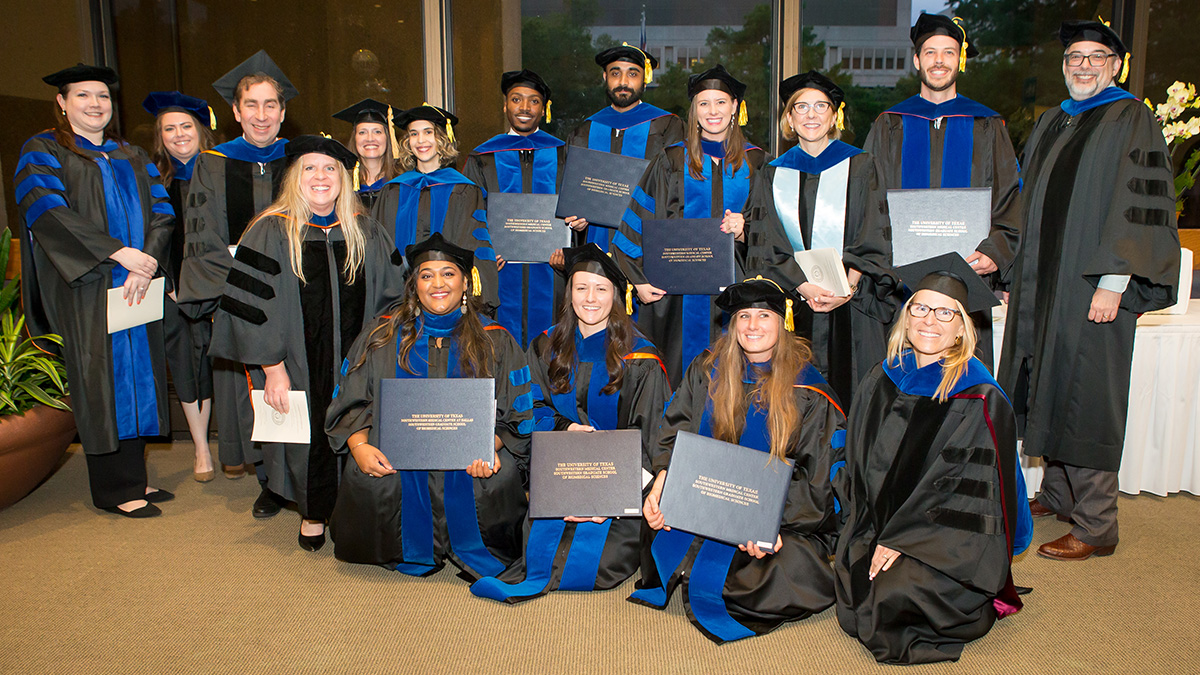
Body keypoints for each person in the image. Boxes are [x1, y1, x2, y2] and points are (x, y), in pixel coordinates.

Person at [998, 20, 1180, 561]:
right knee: (1046, 379)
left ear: (1116, 65)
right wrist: (1016, 278)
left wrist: (1114, 283)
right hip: (1046, 282)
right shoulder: (1056, 119)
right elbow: (1029, 205)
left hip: (1094, 284)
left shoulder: (1132, 118)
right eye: (1074, 56)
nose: (1083, 64)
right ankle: (1058, 493)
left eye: (1096, 56)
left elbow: (1137, 207)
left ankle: (1098, 522)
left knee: (1086, 392)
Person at [208, 135, 405, 551]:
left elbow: (394, 298)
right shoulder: (269, 231)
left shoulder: (366, 230)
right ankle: (313, 511)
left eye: (330, 168)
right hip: (295, 362)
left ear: (343, 178)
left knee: (362, 421)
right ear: (295, 177)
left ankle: (354, 503)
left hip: (359, 361)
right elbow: (250, 306)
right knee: (307, 435)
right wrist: (272, 368)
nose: (321, 177)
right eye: (310, 168)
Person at [835, 263, 1028, 665]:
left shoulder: (977, 394)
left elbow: (961, 490)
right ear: (905, 318)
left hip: (943, 540)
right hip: (878, 521)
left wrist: (900, 539)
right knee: (849, 583)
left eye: (945, 313)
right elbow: (859, 458)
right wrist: (867, 526)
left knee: (891, 603)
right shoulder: (884, 375)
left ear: (962, 327)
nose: (930, 321)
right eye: (920, 309)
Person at [633, 277, 845, 643]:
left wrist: (766, 523)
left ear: (783, 321)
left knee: (784, 567)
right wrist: (663, 482)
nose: (752, 326)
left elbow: (818, 480)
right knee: (656, 519)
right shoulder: (707, 369)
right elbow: (674, 431)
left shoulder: (810, 390)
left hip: (780, 518)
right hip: (705, 499)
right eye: (743, 316)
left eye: (763, 315)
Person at [15, 64, 175, 517]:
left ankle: (135, 479)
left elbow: (163, 212)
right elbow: (48, 212)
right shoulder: (43, 151)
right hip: (87, 283)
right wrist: (118, 254)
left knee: (139, 377)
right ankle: (113, 489)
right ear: (63, 103)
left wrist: (146, 261)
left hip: (136, 282)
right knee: (101, 381)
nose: (95, 104)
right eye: (83, 96)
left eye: (102, 96)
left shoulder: (132, 153)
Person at [470, 244, 670, 603]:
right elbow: (529, 408)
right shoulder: (546, 346)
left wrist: (603, 494)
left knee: (597, 564)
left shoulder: (642, 359)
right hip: (560, 472)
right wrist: (565, 430)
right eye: (581, 288)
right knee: (541, 545)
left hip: (619, 484)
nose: (590, 298)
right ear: (569, 294)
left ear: (617, 295)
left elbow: (650, 434)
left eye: (601, 289)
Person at [326, 233, 532, 578]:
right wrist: (360, 447)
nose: (438, 284)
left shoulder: (495, 339)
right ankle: (409, 546)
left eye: (449, 274)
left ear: (466, 282)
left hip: (471, 462)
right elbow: (350, 397)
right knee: (369, 475)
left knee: (500, 476)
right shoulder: (382, 335)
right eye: (426, 275)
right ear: (414, 285)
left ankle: (471, 545)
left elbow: (518, 413)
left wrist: (489, 446)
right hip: (397, 459)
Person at [864, 14, 1021, 370]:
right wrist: (885, 259)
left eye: (948, 52)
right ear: (917, 60)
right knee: (903, 374)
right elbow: (869, 200)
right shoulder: (890, 123)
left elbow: (1009, 196)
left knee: (962, 379)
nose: (939, 60)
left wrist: (995, 252)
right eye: (930, 52)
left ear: (959, 60)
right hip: (903, 280)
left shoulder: (987, 125)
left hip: (969, 275)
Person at [178, 50, 298, 516]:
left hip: (296, 293)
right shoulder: (212, 163)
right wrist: (242, 285)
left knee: (299, 383)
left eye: (271, 105)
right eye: (252, 105)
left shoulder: (301, 158)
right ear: (236, 111)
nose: (262, 115)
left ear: (283, 111)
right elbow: (201, 237)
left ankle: (304, 476)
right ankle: (270, 481)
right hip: (241, 295)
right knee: (255, 394)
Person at [745, 71, 897, 405]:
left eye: (821, 106)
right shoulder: (772, 173)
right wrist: (802, 284)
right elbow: (764, 243)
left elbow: (873, 234)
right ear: (789, 117)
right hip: (795, 303)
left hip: (853, 307)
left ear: (834, 115)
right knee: (794, 399)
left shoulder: (862, 166)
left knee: (855, 398)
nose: (811, 115)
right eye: (801, 107)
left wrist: (847, 288)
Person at [612, 65, 770, 387]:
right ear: (694, 111)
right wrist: (639, 281)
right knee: (676, 377)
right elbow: (637, 221)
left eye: (721, 102)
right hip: (675, 296)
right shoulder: (670, 160)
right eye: (704, 104)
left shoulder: (757, 162)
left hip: (736, 292)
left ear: (735, 107)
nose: (713, 111)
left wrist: (745, 228)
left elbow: (774, 232)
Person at [463, 69, 569, 348]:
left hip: (550, 272)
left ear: (544, 109)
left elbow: (576, 213)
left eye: (534, 101)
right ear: (505, 105)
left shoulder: (562, 154)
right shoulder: (483, 157)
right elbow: (470, 214)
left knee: (549, 345)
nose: (524, 108)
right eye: (516, 99)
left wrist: (570, 247)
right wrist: (484, 255)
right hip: (500, 271)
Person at [143, 91, 218, 482]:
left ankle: (239, 447)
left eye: (185, 126)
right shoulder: (151, 176)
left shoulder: (221, 169)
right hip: (172, 286)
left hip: (219, 287)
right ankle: (201, 447)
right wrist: (168, 283)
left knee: (220, 363)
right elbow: (150, 233)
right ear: (161, 136)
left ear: (199, 130)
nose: (178, 134)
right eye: (169, 128)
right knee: (186, 361)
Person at [372, 104, 500, 314]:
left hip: (447, 297)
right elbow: (381, 248)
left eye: (428, 132)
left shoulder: (464, 189)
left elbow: (471, 242)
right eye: (414, 134)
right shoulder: (393, 190)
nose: (421, 141)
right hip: (400, 299)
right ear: (407, 141)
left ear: (442, 138)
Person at [565, 44, 684, 252]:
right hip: (596, 246)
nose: (623, 82)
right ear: (605, 77)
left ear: (644, 79)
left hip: (647, 243)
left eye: (633, 74)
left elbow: (677, 190)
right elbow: (574, 197)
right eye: (615, 73)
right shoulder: (584, 131)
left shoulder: (667, 126)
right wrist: (577, 222)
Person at [332, 98, 400, 209]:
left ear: (388, 138)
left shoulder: (402, 183)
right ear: (355, 138)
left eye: (377, 132)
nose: (370, 138)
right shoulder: (342, 183)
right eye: (362, 132)